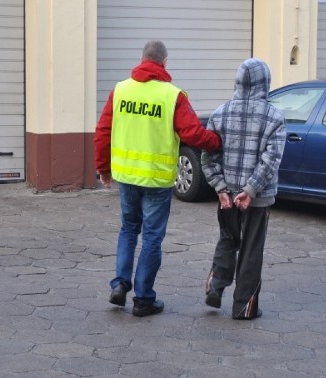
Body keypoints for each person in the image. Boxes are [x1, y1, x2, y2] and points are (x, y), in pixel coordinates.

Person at [95, 40, 221, 317]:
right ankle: (143, 299)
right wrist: (217, 143)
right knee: (151, 236)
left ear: (141, 60)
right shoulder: (172, 95)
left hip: (126, 178)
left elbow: (103, 131)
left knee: (128, 229)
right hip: (157, 182)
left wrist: (103, 170)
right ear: (164, 63)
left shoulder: (120, 90)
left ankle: (119, 284)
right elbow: (192, 134)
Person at [201, 58, 286, 320]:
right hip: (257, 199)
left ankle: (215, 286)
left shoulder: (220, 113)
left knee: (228, 239)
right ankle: (243, 307)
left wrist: (221, 188)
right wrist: (250, 190)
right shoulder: (275, 116)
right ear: (266, 83)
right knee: (251, 249)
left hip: (226, 196)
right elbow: (271, 160)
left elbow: (208, 156)